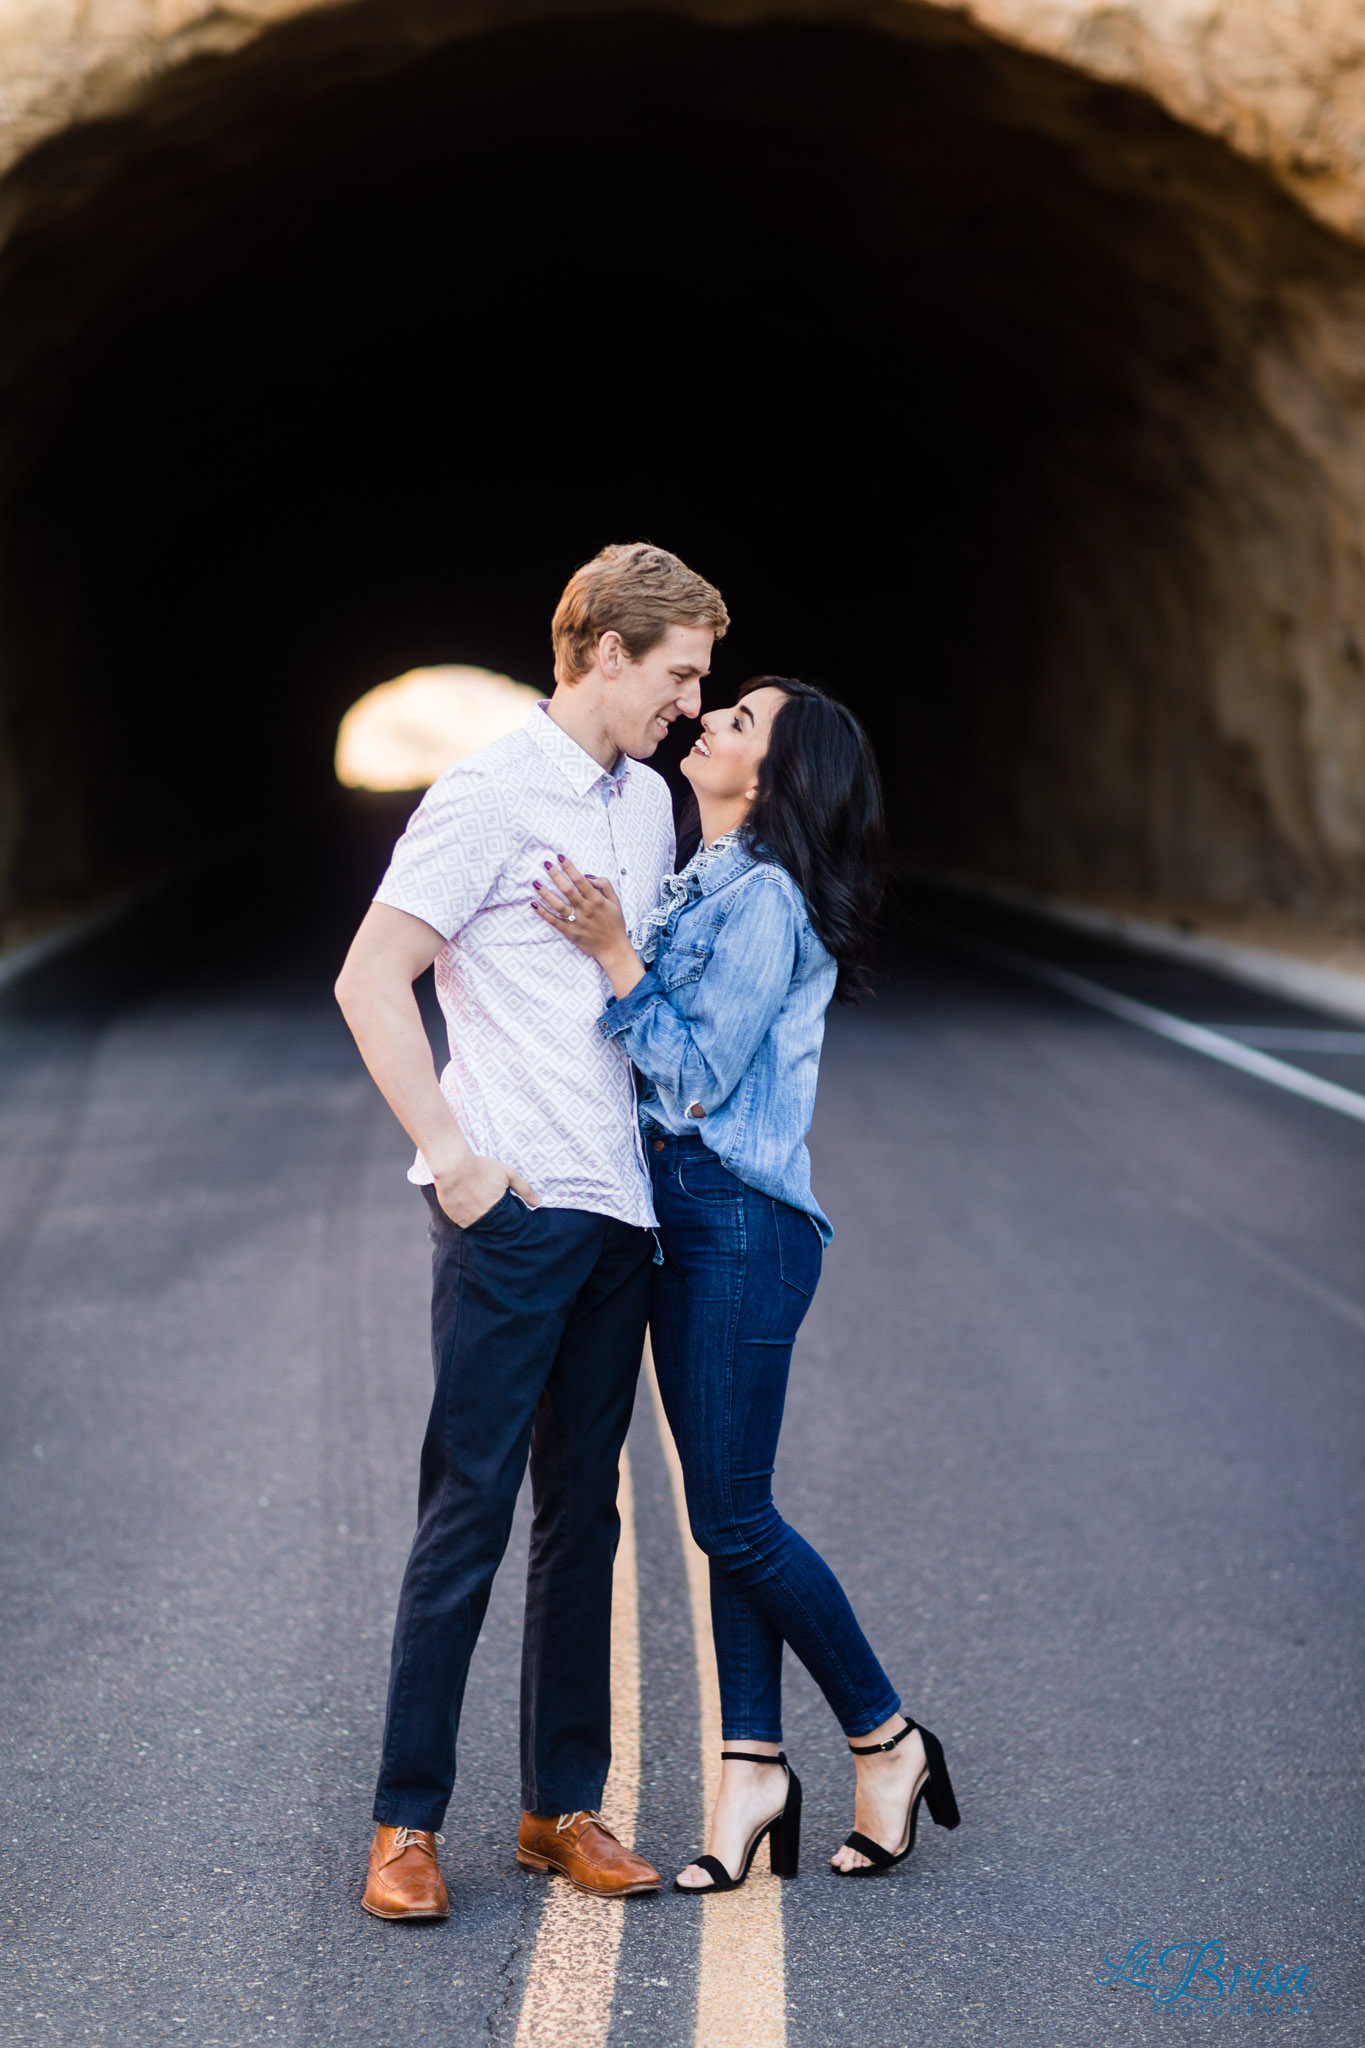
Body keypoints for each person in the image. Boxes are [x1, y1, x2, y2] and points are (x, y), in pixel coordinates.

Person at [334, 542, 729, 1920]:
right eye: (679, 675)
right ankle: (403, 1826)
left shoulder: (650, 807)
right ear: (606, 654)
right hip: (515, 1218)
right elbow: (370, 977)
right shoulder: (488, 793)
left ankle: (560, 1810)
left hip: (619, 1213)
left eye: (704, 682)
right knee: (469, 1516)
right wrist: (452, 1161)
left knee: (589, 1520)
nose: (691, 703)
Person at [531, 675, 961, 1890]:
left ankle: (887, 1738)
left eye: (740, 722)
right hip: (689, 1220)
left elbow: (698, 1075)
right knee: (731, 1505)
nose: (710, 719)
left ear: (776, 777)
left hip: (740, 1221)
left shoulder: (762, 898)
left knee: (730, 1518)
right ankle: (749, 1776)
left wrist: (613, 952)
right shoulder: (704, 878)